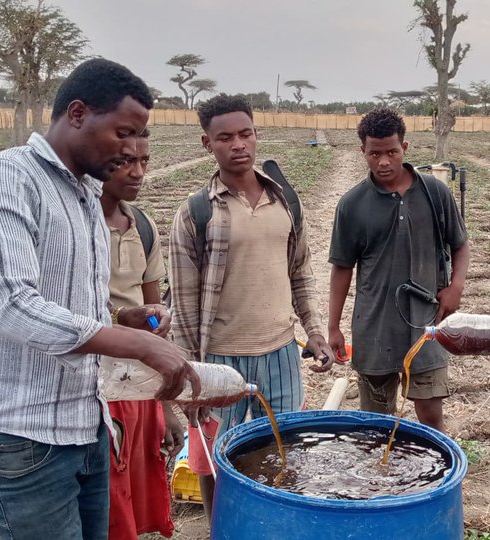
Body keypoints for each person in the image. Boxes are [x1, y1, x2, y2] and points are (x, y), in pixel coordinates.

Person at [0, 58, 200, 540]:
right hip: (21, 437)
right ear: (79, 113)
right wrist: (137, 344)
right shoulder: (6, 178)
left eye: (139, 136)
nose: (131, 149)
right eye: (124, 133)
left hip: (86, 422)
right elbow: (11, 304)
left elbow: (71, 306)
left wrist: (121, 319)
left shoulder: (85, 193)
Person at [168, 94, 331, 518]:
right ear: (207, 143)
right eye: (225, 138)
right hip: (220, 358)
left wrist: (314, 331)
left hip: (280, 351)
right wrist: (190, 376)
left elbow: (300, 273)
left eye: (245, 134)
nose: (238, 144)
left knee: (284, 448)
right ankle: (219, 525)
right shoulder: (196, 212)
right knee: (212, 454)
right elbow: (183, 305)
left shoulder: (285, 201)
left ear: (257, 134)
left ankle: (277, 523)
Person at [328, 107, 470, 432]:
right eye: (374, 154)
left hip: (427, 323)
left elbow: (460, 245)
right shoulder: (352, 205)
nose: (383, 162)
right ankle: (384, 467)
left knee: (431, 416)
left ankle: (435, 466)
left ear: (404, 148)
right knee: (377, 424)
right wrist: (333, 327)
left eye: (391, 152)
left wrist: (456, 287)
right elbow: (342, 268)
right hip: (374, 327)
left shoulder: (435, 193)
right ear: (362, 151)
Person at [99, 132, 183, 540]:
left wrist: (165, 407)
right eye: (125, 161)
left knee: (133, 488)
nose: (138, 172)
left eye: (144, 162)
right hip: (97, 387)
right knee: (105, 495)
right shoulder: (76, 228)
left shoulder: (143, 226)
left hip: (138, 386)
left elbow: (155, 323)